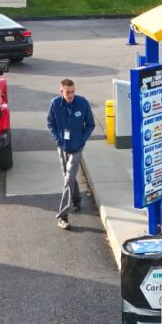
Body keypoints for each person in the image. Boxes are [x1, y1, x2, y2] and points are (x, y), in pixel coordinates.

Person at [47, 79, 95, 229]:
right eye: (67, 92)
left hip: (77, 147)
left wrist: (81, 139)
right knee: (68, 176)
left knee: (69, 178)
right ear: (61, 91)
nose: (70, 95)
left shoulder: (82, 103)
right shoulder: (55, 104)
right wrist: (58, 140)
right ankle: (76, 199)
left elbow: (90, 124)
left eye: (72, 91)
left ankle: (63, 216)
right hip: (62, 147)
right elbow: (50, 123)